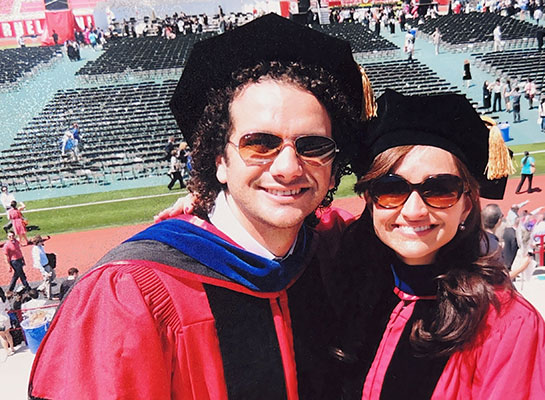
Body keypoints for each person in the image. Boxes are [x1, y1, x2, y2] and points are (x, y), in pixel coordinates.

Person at [29, 13, 372, 399]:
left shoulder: (329, 247)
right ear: (219, 160)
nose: (289, 168)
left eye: (312, 146)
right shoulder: (131, 292)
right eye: (260, 144)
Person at [328, 90, 545, 399]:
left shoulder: (506, 324)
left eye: (439, 189)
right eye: (390, 189)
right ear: (370, 200)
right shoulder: (342, 281)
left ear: (466, 204)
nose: (413, 211)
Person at [31, 235, 56, 299]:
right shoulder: (36, 250)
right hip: (44, 267)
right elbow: (38, 262)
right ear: (37, 242)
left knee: (53, 275)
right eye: (41, 241)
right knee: (48, 280)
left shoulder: (40, 247)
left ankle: (41, 288)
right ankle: (49, 296)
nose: (42, 242)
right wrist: (44, 272)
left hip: (47, 264)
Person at [0, 288, 14, 360]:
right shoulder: (4, 298)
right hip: (6, 317)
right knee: (8, 334)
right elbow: (8, 308)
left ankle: (7, 351)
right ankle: (12, 348)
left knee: (2, 337)